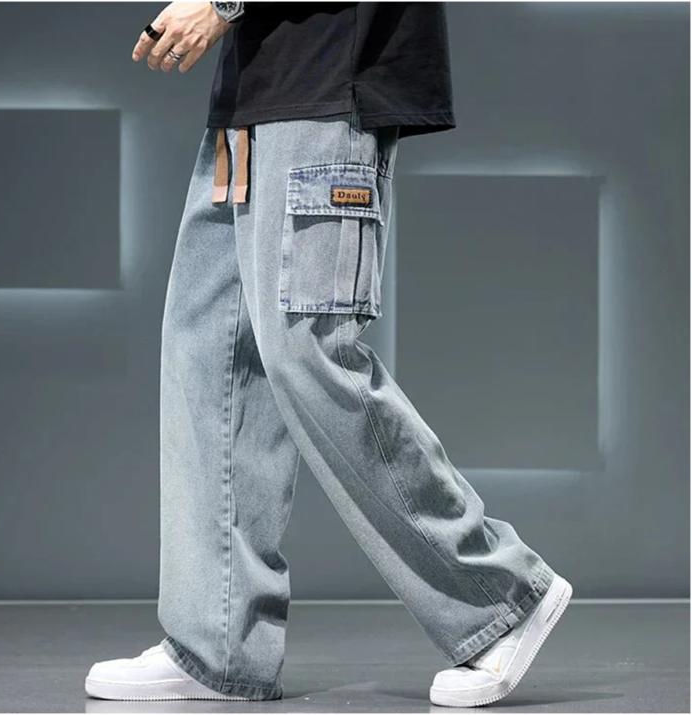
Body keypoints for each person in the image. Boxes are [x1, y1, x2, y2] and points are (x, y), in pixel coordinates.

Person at [84, 1, 572, 707]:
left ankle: (500, 595)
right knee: (212, 356)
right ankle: (217, 645)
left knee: (306, 350)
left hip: (327, 85)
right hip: (255, 94)